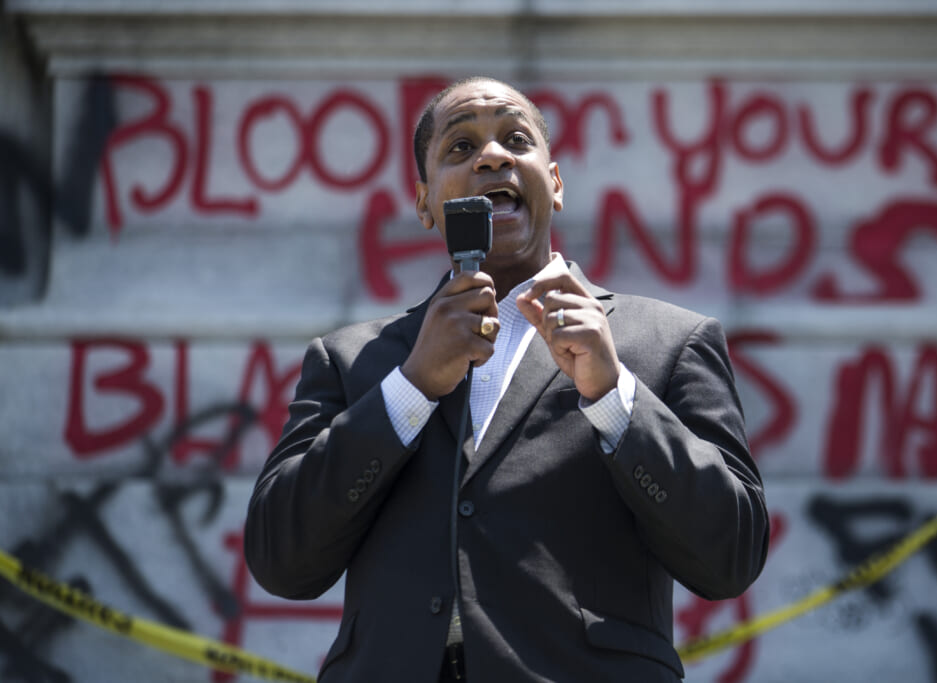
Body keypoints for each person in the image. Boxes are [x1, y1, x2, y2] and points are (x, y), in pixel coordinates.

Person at [245, 76, 769, 683]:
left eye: (517, 140)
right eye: (460, 147)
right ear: (425, 203)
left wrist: (613, 397)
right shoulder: (350, 360)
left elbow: (731, 557)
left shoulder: (668, 343)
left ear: (555, 183)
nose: (493, 156)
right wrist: (411, 388)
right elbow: (280, 559)